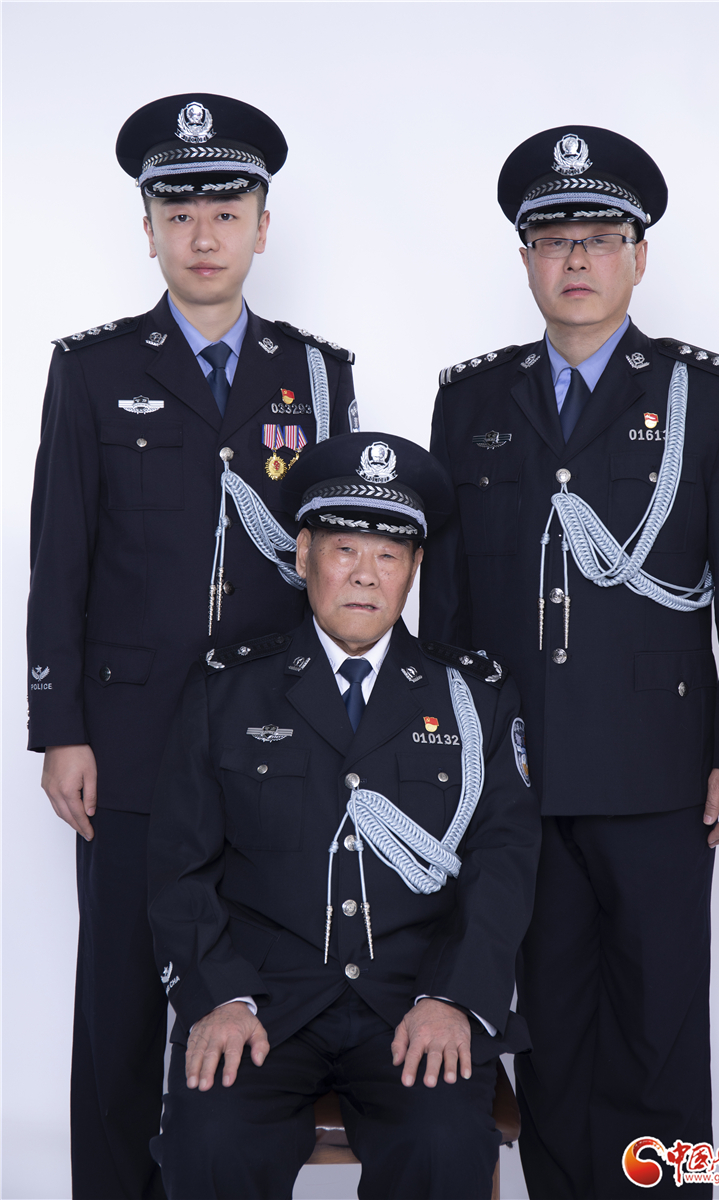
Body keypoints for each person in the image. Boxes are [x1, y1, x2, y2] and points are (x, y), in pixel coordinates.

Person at [419, 125, 719, 1198]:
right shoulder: (471, 401)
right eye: (552, 240)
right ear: (525, 259)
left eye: (599, 238)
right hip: (517, 774)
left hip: (657, 770)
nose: (575, 259)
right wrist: (441, 758)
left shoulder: (705, 393)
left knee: (658, 1025)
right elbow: (447, 603)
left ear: (638, 257)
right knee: (547, 1026)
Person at [26, 92, 357, 1199]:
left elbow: (341, 566)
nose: (203, 235)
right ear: (149, 230)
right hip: (125, 738)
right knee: (121, 1000)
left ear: (263, 226)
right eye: (180, 214)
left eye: (225, 212)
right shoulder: (91, 370)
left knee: (248, 988)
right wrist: (59, 728)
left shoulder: (316, 377)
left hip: (272, 742)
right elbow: (59, 559)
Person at [146, 431, 540, 1199]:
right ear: (303, 557)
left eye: (389, 555)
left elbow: (504, 863)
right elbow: (178, 865)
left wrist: (454, 997)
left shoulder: (476, 697)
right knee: (210, 1142)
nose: (365, 574)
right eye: (345, 550)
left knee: (443, 1145)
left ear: (414, 568)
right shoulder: (226, 688)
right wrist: (217, 996)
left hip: (412, 998)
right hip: (262, 1000)